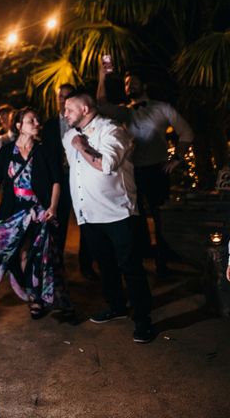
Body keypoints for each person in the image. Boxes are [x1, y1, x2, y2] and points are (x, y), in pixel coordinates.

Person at [62, 90, 155, 343]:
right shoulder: (69, 135)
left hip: (118, 212)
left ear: (85, 109)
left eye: (69, 108)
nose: (65, 113)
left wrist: (82, 147)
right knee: (105, 265)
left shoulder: (112, 130)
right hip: (88, 214)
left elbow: (106, 166)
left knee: (131, 267)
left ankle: (143, 319)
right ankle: (116, 306)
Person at [97, 67, 194, 276]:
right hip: (132, 171)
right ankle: (140, 261)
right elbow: (101, 106)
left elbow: (186, 131)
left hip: (158, 169)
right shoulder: (124, 111)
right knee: (134, 217)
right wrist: (102, 77)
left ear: (143, 85)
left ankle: (163, 261)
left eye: (133, 82)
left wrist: (177, 158)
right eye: (126, 83)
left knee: (160, 218)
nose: (129, 86)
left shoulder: (162, 108)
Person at [0, 107, 71, 319]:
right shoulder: (7, 150)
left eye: (38, 120)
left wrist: (53, 207)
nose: (37, 123)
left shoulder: (44, 150)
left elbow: (57, 181)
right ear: (19, 126)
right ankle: (32, 292)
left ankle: (35, 298)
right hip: (13, 211)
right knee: (17, 253)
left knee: (36, 254)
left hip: (38, 210)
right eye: (31, 121)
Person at [42, 84, 98, 280]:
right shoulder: (48, 126)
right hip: (59, 182)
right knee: (59, 225)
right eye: (60, 96)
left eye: (67, 96)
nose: (63, 99)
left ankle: (86, 265)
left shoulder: (82, 122)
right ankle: (58, 269)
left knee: (87, 223)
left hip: (83, 179)